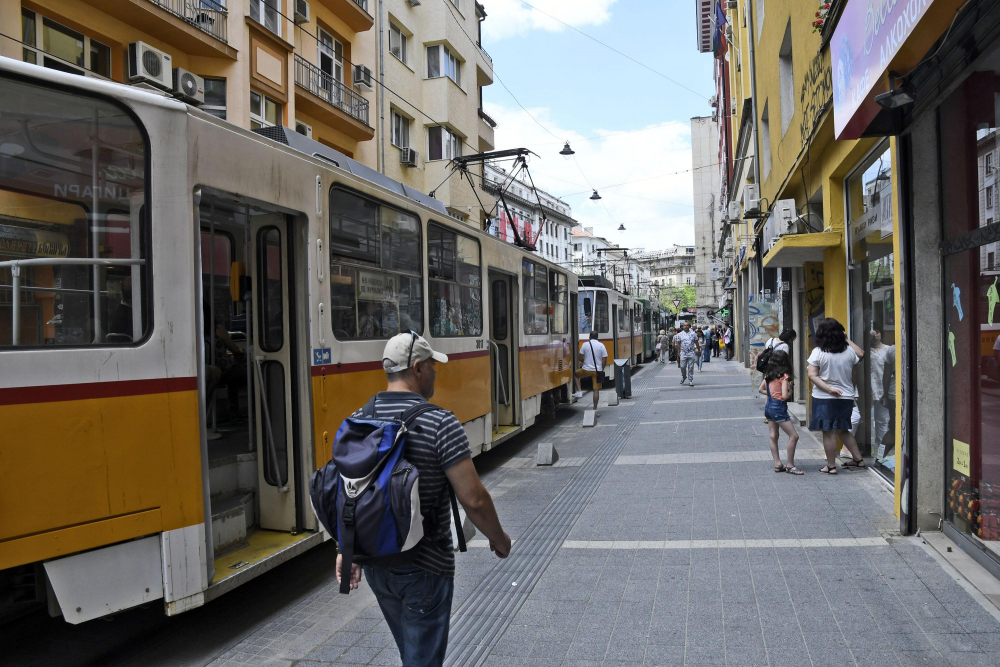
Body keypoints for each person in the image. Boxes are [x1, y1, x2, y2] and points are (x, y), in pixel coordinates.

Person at [337, 332, 511, 667]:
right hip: (426, 565)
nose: (436, 372)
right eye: (432, 365)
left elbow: (349, 490)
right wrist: (499, 539)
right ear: (417, 369)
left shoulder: (361, 417)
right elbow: (473, 499)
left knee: (414, 655)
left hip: (378, 564)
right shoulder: (439, 422)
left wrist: (347, 550)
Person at [807, 318, 866, 474]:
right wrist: (846, 339)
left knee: (829, 431)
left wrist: (828, 389)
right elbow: (861, 354)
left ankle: (831, 466)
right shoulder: (849, 351)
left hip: (824, 397)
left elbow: (812, 375)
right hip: (846, 397)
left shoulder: (818, 352)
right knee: (842, 429)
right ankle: (858, 460)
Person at [758, 350, 803, 475]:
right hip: (778, 408)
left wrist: (772, 394)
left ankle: (778, 463)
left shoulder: (768, 375)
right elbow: (784, 396)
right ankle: (790, 465)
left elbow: (761, 389)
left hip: (769, 407)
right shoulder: (784, 377)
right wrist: (791, 391)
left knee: (773, 435)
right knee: (794, 436)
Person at [868, 329, 896, 450]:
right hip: (868, 389)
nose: (875, 335)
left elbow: (888, 373)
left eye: (877, 332)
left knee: (882, 422)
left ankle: (880, 452)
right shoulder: (865, 350)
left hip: (883, 390)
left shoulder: (889, 349)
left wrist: (885, 393)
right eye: (872, 333)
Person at [578, 331, 608, 410]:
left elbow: (580, 358)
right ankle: (594, 408)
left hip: (586, 370)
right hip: (597, 371)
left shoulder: (585, 344)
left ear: (589, 337)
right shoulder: (601, 345)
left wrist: (585, 361)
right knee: (596, 390)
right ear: (597, 337)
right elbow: (604, 359)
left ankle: (579, 391)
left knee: (575, 375)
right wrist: (601, 369)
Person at [675, 322, 701, 386]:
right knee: (682, 366)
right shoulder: (680, 334)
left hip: (691, 352)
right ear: (683, 326)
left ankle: (690, 380)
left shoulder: (693, 334)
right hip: (683, 353)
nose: (686, 326)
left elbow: (696, 342)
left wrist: (699, 350)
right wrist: (678, 353)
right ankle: (684, 376)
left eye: (687, 325)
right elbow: (678, 344)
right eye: (684, 325)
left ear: (689, 326)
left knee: (691, 367)